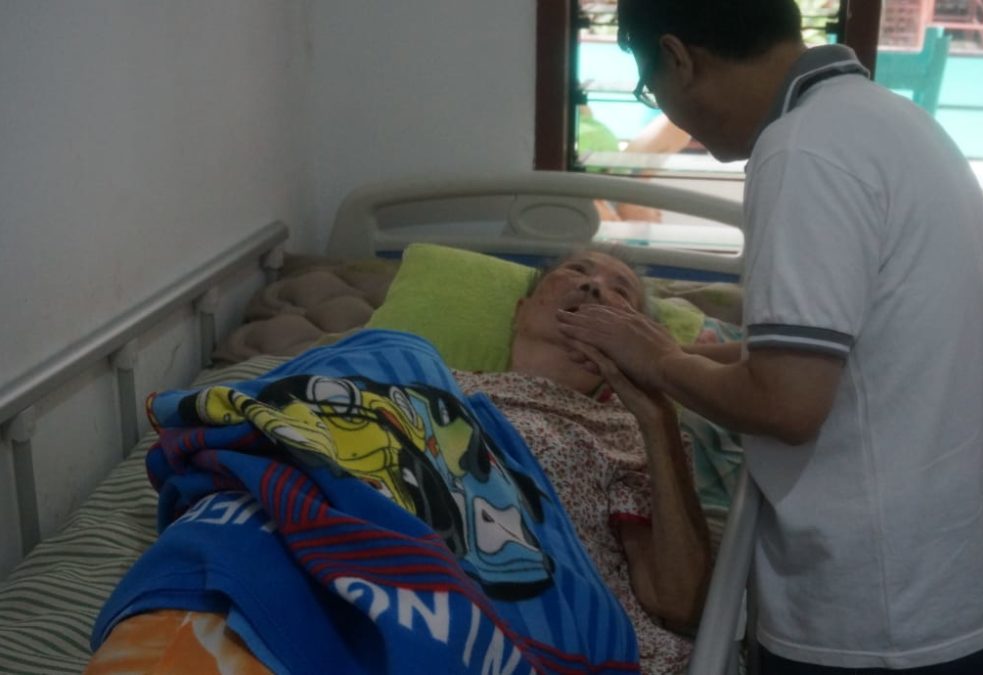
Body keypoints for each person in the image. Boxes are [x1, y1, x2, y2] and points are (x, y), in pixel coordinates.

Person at [557, 1, 983, 673]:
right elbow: (836, 353)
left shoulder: (804, 151)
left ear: (679, 59)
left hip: (871, 621)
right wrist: (674, 354)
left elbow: (786, 402)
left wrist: (658, 362)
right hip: (940, 584)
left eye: (649, 89)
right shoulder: (889, 124)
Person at [88, 250, 711, 675]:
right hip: (346, 515)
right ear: (521, 309)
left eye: (620, 291)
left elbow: (678, 604)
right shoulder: (416, 379)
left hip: (504, 582)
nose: (594, 285)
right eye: (576, 270)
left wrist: (656, 416)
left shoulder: (628, 431)